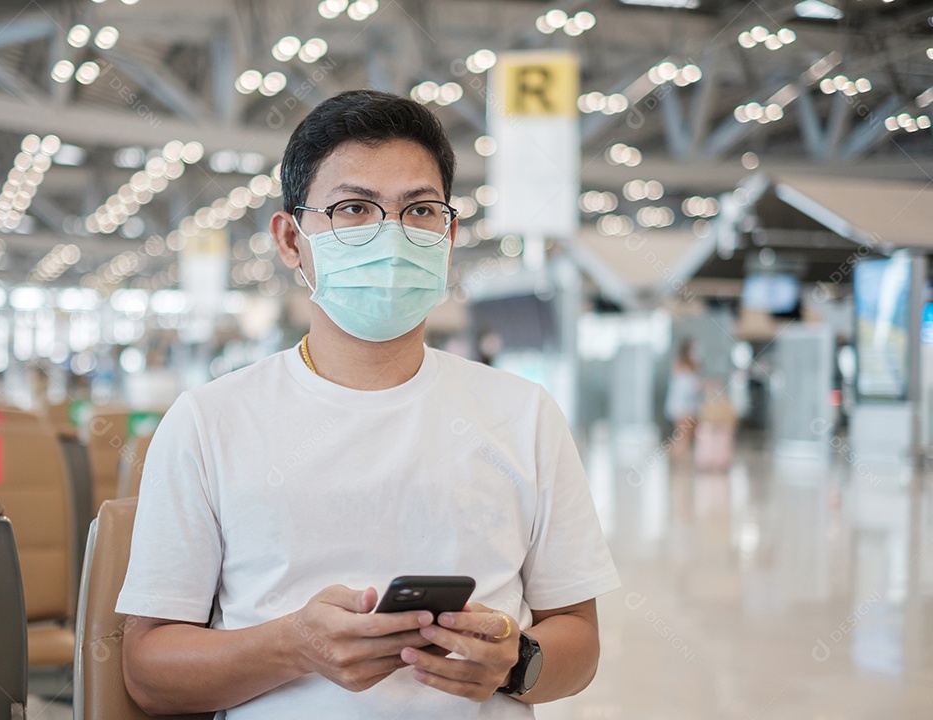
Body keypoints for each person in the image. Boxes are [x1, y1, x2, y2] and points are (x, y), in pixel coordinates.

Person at [117, 90, 620, 718]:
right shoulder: (208, 422)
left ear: (448, 235)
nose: (392, 235)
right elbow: (149, 671)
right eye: (354, 208)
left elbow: (579, 643)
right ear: (291, 239)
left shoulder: (524, 415)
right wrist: (292, 646)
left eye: (420, 210)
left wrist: (515, 663)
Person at [664, 338, 701, 456]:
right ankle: (677, 458)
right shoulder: (679, 365)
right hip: (682, 406)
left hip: (688, 406)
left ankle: (679, 458)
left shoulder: (692, 365)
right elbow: (687, 386)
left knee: (686, 437)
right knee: (683, 436)